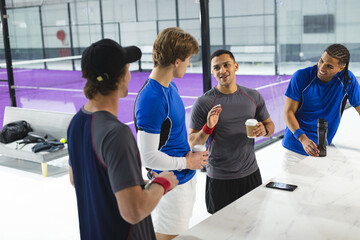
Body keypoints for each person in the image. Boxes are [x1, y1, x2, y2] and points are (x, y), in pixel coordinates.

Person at [67, 38, 178, 240]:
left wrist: (135, 185)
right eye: (127, 69)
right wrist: (162, 183)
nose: (129, 74)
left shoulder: (76, 123)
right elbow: (133, 211)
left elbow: (77, 179)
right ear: (120, 78)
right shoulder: (116, 133)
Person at [134, 27, 208, 240]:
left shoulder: (170, 88)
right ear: (176, 61)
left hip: (184, 180)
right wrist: (187, 163)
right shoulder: (152, 98)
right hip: (170, 189)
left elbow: (172, 138)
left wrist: (193, 157)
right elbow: (148, 157)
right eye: (187, 59)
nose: (188, 64)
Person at [188, 49, 275, 214]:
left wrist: (264, 130)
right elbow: (192, 142)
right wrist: (208, 127)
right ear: (213, 72)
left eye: (226, 65)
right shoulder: (204, 102)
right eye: (216, 67)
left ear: (236, 66)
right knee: (221, 232)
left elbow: (270, 126)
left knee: (253, 226)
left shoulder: (253, 96)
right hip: (219, 179)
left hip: (251, 175)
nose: (222, 70)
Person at [282, 43, 360, 165]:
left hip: (324, 147)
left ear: (341, 68)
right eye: (321, 61)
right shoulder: (301, 76)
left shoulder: (347, 80)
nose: (322, 68)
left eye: (329, 66)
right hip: (296, 148)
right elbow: (288, 112)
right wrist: (303, 139)